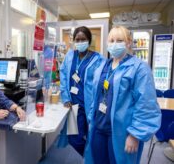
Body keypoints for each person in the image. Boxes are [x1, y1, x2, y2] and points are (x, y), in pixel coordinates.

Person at [84, 26, 161, 164]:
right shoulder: (103, 66)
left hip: (121, 132)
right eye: (111, 40)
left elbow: (146, 104)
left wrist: (135, 134)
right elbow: (95, 96)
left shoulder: (139, 69)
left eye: (119, 40)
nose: (114, 44)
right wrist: (91, 119)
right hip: (98, 128)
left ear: (129, 42)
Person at [59, 26, 105, 156]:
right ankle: (89, 157)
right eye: (77, 40)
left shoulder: (98, 59)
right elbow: (63, 75)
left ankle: (93, 158)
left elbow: (102, 82)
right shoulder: (69, 56)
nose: (80, 42)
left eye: (83, 39)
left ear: (89, 41)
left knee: (93, 138)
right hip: (74, 106)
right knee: (74, 139)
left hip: (90, 105)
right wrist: (65, 97)